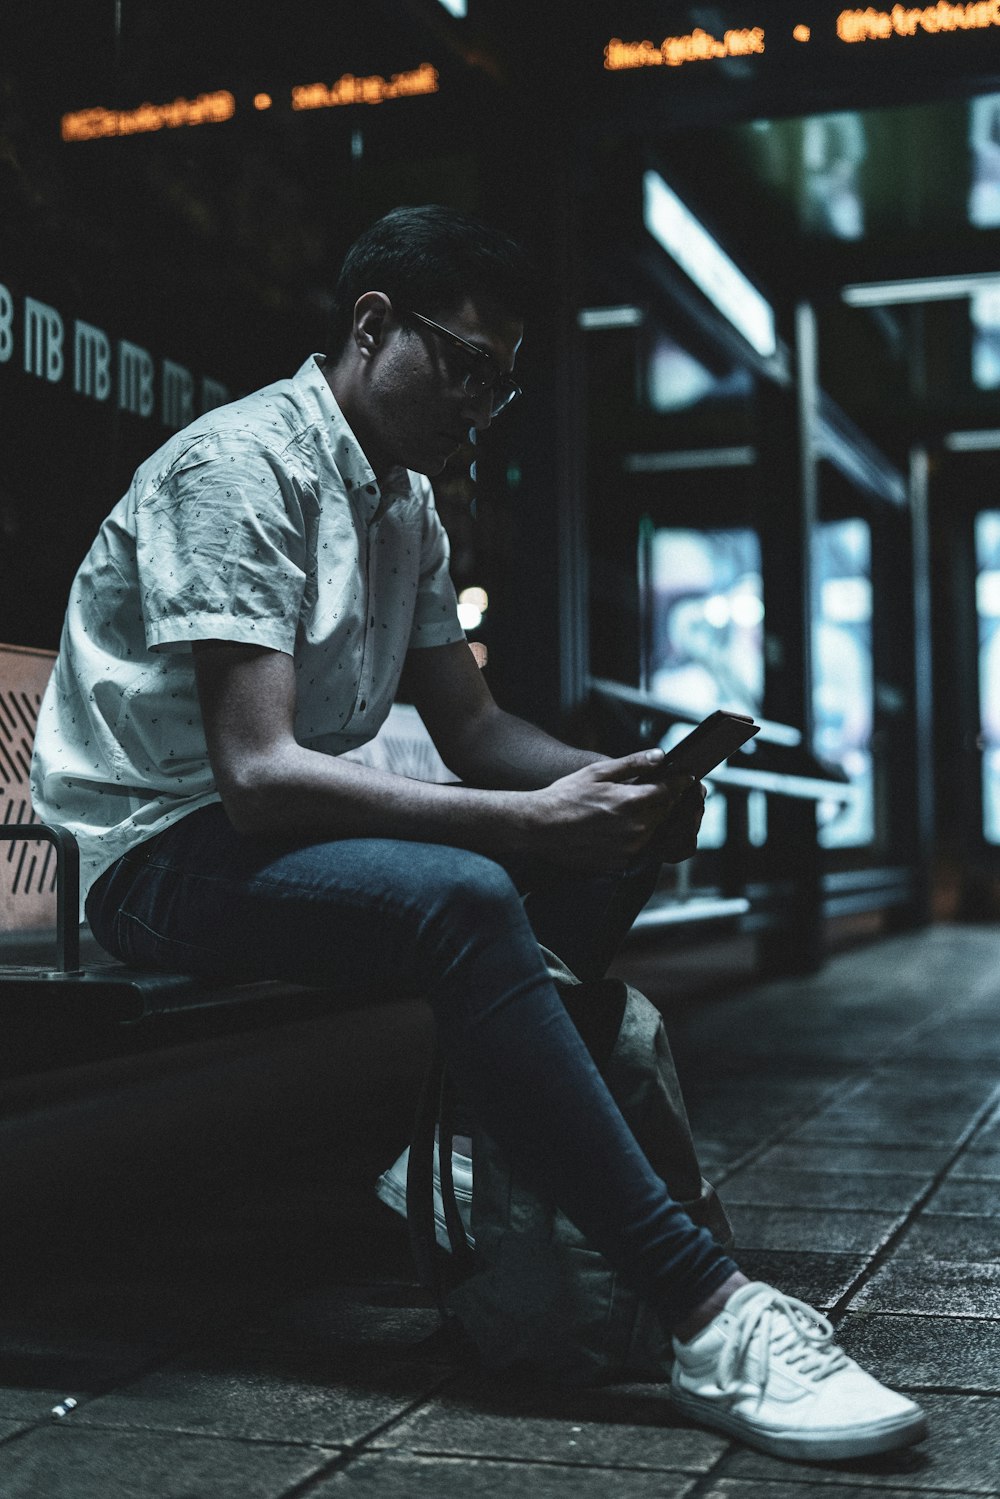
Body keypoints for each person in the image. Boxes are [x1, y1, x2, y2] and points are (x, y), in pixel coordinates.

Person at [31, 204, 926, 1464]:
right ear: (371, 326)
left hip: (247, 836)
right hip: (145, 856)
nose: (478, 404)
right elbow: (256, 774)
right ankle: (703, 1307)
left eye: (500, 383)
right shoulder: (242, 469)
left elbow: (476, 728)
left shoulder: (404, 509)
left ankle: (474, 1153)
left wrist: (615, 782)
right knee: (463, 897)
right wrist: (524, 820)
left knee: (614, 836)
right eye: (465, 365)